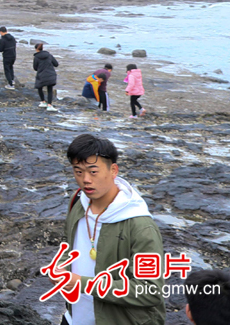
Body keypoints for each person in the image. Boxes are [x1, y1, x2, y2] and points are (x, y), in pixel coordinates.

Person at [59, 133, 164, 325]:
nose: (85, 180)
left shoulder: (140, 226)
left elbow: (150, 291)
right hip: (74, 317)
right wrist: (61, 267)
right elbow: (69, 246)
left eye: (93, 171)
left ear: (113, 170)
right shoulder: (78, 202)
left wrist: (82, 284)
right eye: (78, 171)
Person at [34, 42, 60, 112]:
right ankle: (49, 105)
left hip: (41, 75)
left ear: (36, 49)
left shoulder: (36, 57)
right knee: (50, 89)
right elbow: (56, 64)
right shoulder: (49, 55)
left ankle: (43, 101)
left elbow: (35, 68)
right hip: (50, 74)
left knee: (39, 87)